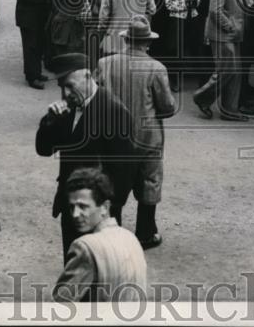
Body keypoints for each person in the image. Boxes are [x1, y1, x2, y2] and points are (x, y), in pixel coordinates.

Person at [35, 54, 137, 257]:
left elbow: (124, 171)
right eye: (62, 87)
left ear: (89, 76)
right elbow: (44, 150)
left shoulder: (114, 111)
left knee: (98, 267)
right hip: (70, 204)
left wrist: (105, 210)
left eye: (71, 86)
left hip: (96, 211)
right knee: (73, 260)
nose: (65, 93)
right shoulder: (66, 109)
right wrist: (49, 122)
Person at [97, 16, 176, 249]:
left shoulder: (105, 64)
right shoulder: (157, 68)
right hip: (147, 137)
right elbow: (168, 107)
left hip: (114, 136)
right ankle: (145, 233)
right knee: (149, 182)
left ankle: (112, 233)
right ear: (147, 43)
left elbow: (94, 96)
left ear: (126, 41)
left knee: (113, 183)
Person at [53, 169, 147, 302]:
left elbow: (60, 304)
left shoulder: (85, 247)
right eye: (72, 207)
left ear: (104, 207)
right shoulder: (131, 239)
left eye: (83, 207)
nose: (75, 214)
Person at [194, 0, 254, 121]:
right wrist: (230, 27)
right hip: (222, 35)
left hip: (231, 34)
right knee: (227, 71)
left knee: (233, 72)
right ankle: (202, 98)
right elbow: (215, 10)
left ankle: (230, 110)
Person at [164, 0, 201, 88]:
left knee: (194, 47)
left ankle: (196, 79)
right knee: (176, 49)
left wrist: (195, 2)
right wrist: (184, 6)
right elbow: (168, 4)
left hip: (193, 18)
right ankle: (175, 80)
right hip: (178, 19)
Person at [16, 0, 51, 88]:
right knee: (30, 47)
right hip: (27, 18)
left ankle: (37, 72)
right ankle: (31, 77)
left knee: (39, 46)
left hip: (39, 17)